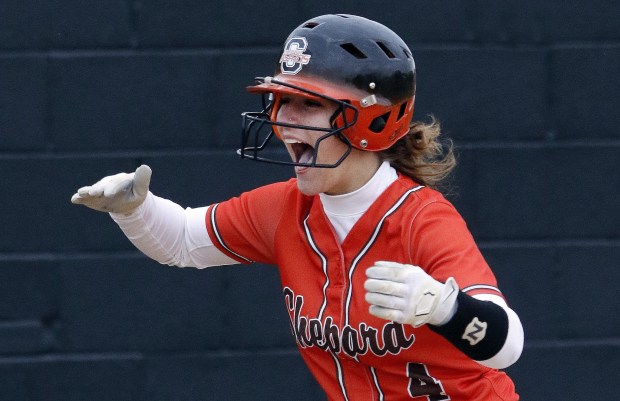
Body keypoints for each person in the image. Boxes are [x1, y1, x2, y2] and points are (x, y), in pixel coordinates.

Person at [71, 14, 524, 401]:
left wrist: (445, 308)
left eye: (309, 104)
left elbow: (507, 346)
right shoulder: (288, 207)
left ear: (372, 120)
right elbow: (184, 242)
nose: (285, 119)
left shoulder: (421, 218)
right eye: (282, 99)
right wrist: (133, 208)